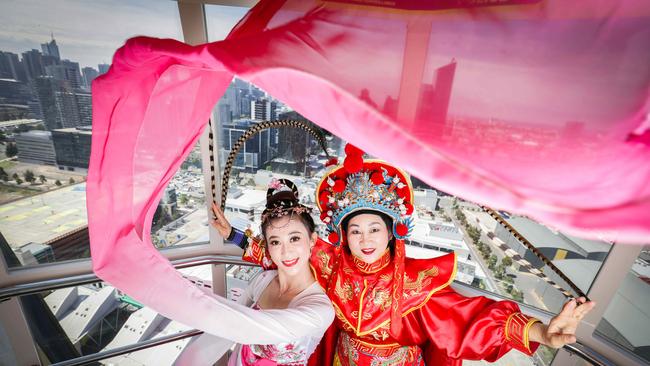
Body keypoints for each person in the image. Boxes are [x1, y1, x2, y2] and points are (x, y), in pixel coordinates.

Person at [223, 145, 596, 366]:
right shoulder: (332, 264)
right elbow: (286, 252)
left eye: (374, 229)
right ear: (343, 236)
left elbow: (471, 319)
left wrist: (540, 332)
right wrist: (233, 236)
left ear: (390, 233)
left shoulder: (414, 283)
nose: (364, 239)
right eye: (355, 230)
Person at [177, 179, 334, 366]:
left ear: (312, 241)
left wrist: (182, 296)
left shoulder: (320, 309)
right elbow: (226, 331)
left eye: (294, 238)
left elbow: (239, 324)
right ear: (268, 246)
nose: (286, 251)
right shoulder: (263, 280)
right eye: (275, 242)